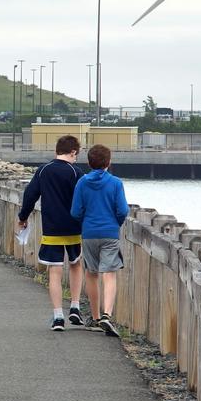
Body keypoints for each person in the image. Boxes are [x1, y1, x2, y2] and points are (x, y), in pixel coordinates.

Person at [16, 135, 90, 331]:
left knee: (55, 272)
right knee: (76, 264)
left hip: (52, 229)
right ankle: (75, 306)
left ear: (57, 150)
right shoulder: (77, 173)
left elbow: (30, 195)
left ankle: (58, 316)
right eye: (77, 154)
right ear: (73, 151)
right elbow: (85, 200)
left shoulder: (44, 170)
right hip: (74, 228)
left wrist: (23, 217)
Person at [71, 144, 129, 338]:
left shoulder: (82, 183)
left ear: (89, 162)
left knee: (92, 274)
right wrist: (115, 223)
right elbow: (122, 210)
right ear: (109, 162)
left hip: (89, 233)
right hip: (110, 232)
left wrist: (86, 222)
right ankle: (107, 314)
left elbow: (75, 211)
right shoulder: (115, 183)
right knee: (109, 274)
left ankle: (95, 317)